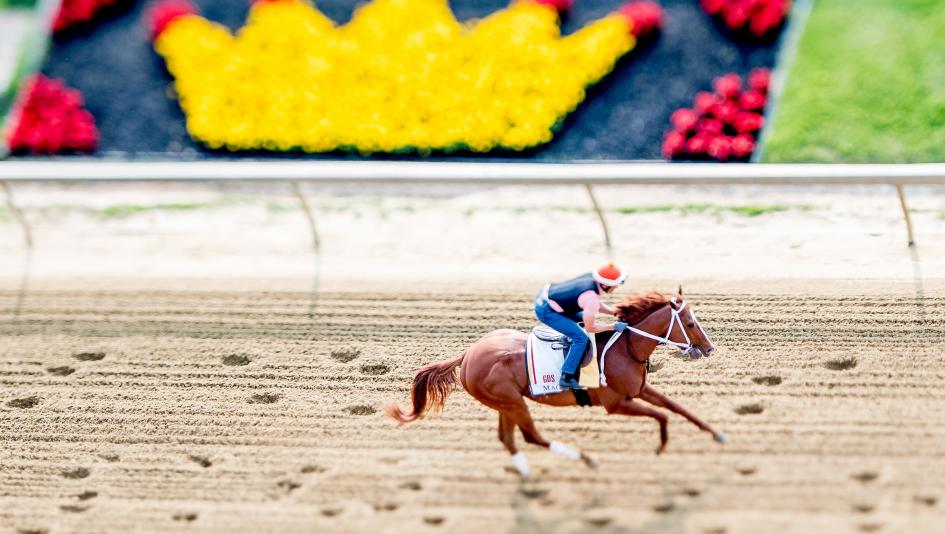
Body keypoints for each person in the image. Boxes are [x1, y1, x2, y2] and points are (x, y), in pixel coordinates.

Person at [534, 262, 629, 390]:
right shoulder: (591, 297)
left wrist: (614, 312)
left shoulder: (592, 279)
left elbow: (595, 304)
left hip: (548, 298)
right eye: (616, 284)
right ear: (605, 285)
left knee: (583, 322)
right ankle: (566, 377)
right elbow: (591, 328)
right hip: (547, 311)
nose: (617, 287)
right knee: (581, 338)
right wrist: (613, 326)